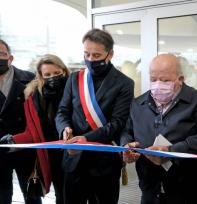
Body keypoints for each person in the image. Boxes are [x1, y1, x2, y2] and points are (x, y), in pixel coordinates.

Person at [121, 54, 197, 204]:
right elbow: (127, 131)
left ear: (180, 79)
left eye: (165, 80)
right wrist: (126, 146)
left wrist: (171, 150)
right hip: (150, 188)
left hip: (190, 188)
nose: (158, 84)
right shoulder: (138, 104)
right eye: (153, 79)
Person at [55, 28, 134, 204]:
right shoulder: (75, 78)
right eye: (87, 54)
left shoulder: (124, 83)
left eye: (96, 55)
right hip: (73, 158)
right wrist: (64, 129)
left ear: (110, 54)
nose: (90, 60)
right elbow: (62, 111)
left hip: (104, 163)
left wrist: (86, 139)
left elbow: (118, 122)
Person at [2, 54, 70, 204]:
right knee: (60, 195)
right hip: (50, 155)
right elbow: (33, 132)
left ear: (64, 71)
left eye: (57, 73)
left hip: (74, 152)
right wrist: (14, 140)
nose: (52, 77)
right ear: (40, 76)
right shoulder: (33, 98)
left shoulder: (74, 92)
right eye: (47, 74)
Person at [0, 39, 40, 204]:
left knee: (32, 196)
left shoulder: (29, 79)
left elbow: (39, 115)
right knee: (2, 197)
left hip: (25, 149)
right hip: (0, 150)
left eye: (2, 54)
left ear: (11, 58)